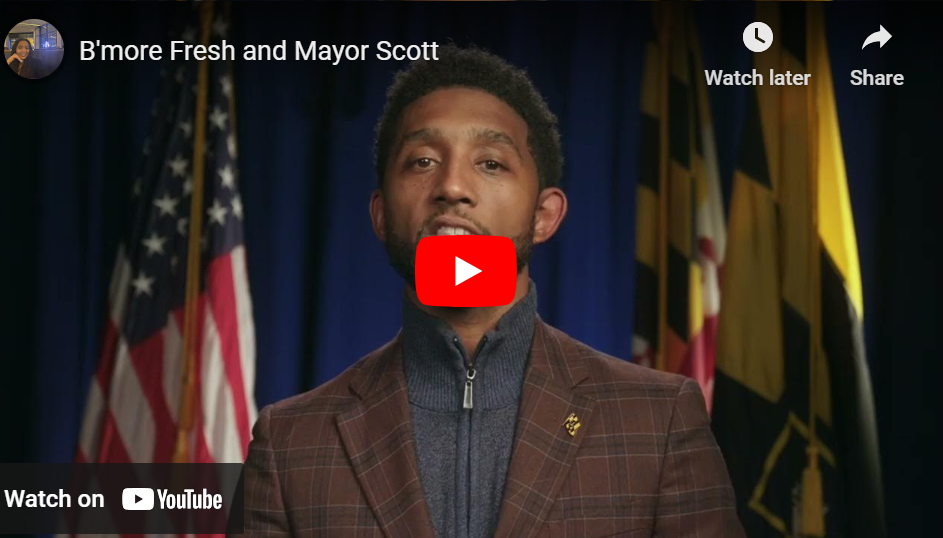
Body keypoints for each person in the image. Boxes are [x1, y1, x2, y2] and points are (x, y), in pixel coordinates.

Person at [242, 45, 745, 537]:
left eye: (490, 163)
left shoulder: (658, 421)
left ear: (544, 215)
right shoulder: (289, 443)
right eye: (421, 161)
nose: (452, 186)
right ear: (380, 215)